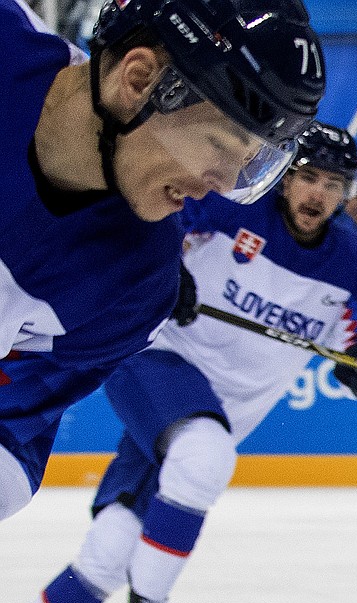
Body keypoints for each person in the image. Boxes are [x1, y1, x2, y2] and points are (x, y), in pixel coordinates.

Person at [0, 122, 357, 603]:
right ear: (286, 178)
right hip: (155, 360)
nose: (318, 193)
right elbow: (154, 223)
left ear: (347, 192)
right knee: (204, 455)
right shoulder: (230, 209)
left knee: (113, 550)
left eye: (333, 183)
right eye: (308, 176)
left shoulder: (356, 269)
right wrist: (164, 272)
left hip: (210, 415)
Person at [0, 0, 325, 529]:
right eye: (218, 145)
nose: (222, 184)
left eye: (248, 166)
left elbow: (10, 440)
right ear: (139, 78)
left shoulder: (136, 286)